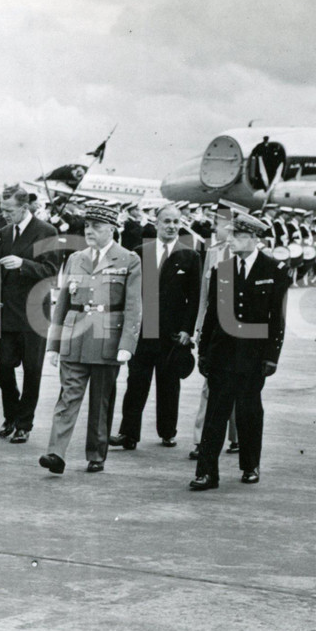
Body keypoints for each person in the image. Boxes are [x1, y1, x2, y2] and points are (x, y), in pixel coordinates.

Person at [38, 204, 142, 474]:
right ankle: (55, 453)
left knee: (100, 401)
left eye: (96, 226)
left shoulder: (128, 259)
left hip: (107, 338)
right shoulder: (76, 258)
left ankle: (96, 453)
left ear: (112, 229)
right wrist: (54, 344)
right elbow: (61, 304)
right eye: (87, 226)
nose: (89, 231)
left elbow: (133, 306)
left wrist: (127, 345)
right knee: (67, 397)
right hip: (75, 336)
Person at [190, 210, 289, 491]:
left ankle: (250, 465)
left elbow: (277, 319)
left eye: (237, 235)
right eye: (231, 234)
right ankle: (207, 473)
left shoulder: (274, 271)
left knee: (249, 412)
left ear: (254, 238)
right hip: (222, 354)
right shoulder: (221, 271)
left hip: (254, 356)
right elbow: (211, 315)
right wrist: (204, 352)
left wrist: (272, 356)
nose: (229, 239)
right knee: (215, 414)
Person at [110, 203, 200, 450]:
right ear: (156, 223)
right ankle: (128, 433)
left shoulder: (190, 256)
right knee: (136, 383)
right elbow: (130, 293)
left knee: (169, 384)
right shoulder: (140, 252)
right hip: (143, 331)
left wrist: (187, 330)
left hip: (172, 335)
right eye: (167, 221)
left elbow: (194, 298)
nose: (171, 226)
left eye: (176, 222)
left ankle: (168, 432)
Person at [0, 184, 59, 443]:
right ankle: (11, 414)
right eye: (3, 209)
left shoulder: (47, 232)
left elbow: (52, 271)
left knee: (32, 370)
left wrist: (24, 264)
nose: (5, 214)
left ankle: (24, 423)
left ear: (24, 207)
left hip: (35, 314)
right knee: (3, 367)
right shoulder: (3, 233)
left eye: (9, 210)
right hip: (8, 312)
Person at [189, 204, 239, 460]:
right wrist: (199, 326)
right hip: (216, 328)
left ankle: (236, 436)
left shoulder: (244, 254)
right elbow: (204, 296)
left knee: (238, 385)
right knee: (210, 385)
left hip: (240, 330)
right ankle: (201, 440)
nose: (214, 228)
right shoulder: (213, 252)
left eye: (218, 223)